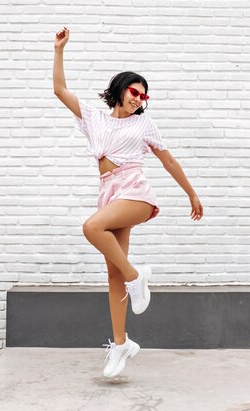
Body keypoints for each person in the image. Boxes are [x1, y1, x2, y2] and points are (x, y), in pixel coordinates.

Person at [52, 27, 203, 378]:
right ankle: (121, 344)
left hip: (134, 189)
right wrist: (59, 50)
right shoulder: (95, 117)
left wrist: (191, 193)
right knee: (113, 273)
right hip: (108, 190)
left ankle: (138, 276)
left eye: (144, 96)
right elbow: (59, 90)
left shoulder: (144, 124)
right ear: (121, 90)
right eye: (135, 92)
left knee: (92, 227)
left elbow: (168, 161)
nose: (139, 99)